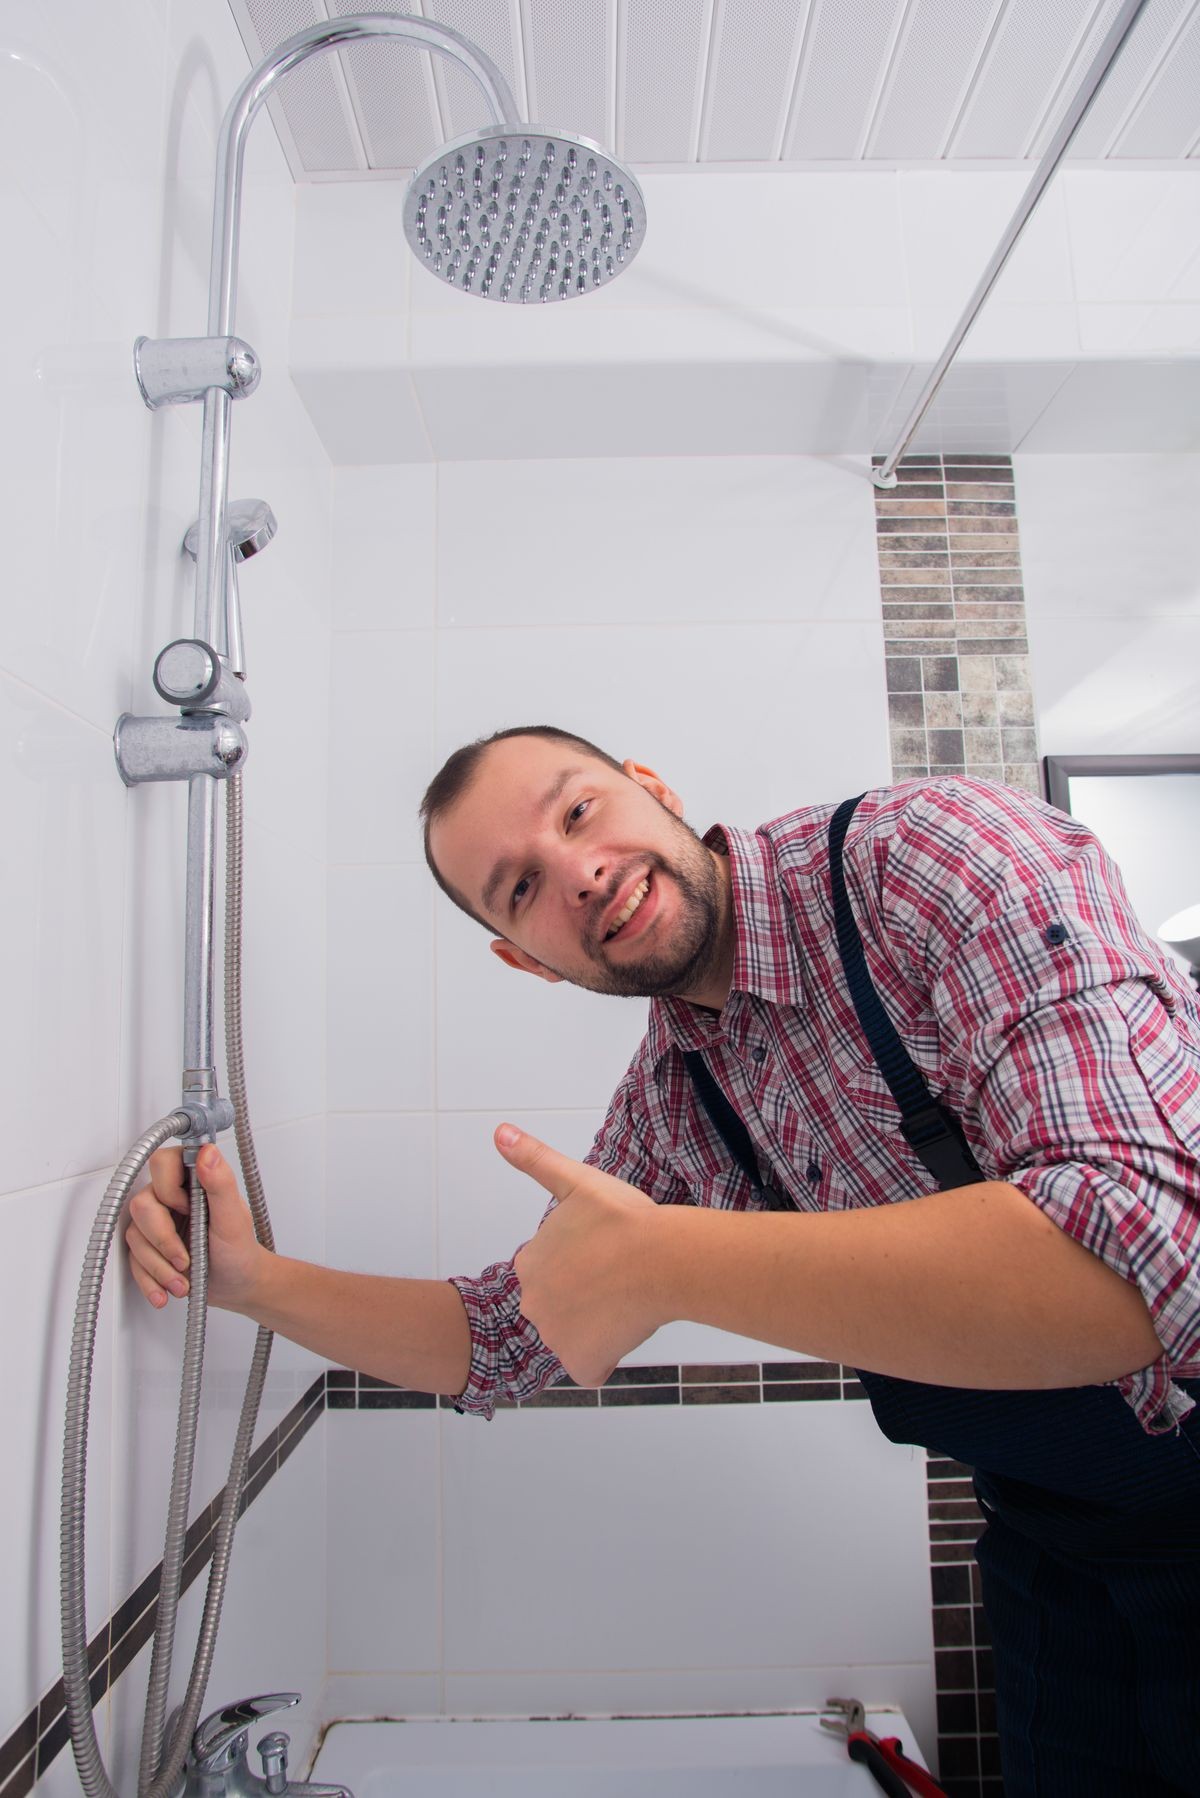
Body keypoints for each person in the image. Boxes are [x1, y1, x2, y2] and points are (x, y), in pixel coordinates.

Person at [126, 725, 1200, 1797]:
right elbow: (503, 1339)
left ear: (650, 785)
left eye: (580, 811)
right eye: (521, 889)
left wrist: (671, 1262)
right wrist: (251, 1281)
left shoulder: (929, 858)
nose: (581, 873)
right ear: (524, 958)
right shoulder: (672, 1109)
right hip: (1059, 1554)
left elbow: (1149, 1253)